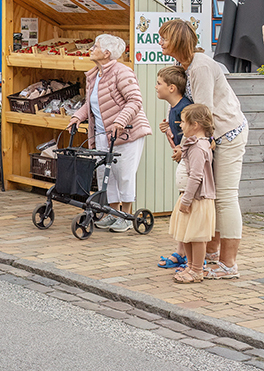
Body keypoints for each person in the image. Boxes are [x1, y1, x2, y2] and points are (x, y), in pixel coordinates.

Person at [159, 18, 247, 279]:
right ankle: (210, 254)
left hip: (226, 134)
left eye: (164, 38)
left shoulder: (200, 67)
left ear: (178, 41)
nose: (161, 42)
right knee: (211, 195)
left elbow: (202, 114)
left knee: (225, 197)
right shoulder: (182, 66)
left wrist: (187, 147)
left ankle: (228, 265)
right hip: (209, 138)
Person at [67, 34, 151, 232]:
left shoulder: (122, 72)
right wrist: (78, 117)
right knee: (107, 173)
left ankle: (126, 217)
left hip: (126, 133)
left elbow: (135, 101)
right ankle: (113, 214)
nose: (91, 49)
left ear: (106, 53)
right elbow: (91, 104)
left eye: (95, 46)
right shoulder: (95, 74)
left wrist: (120, 121)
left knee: (124, 174)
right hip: (103, 133)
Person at [169, 104, 217, 284]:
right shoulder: (194, 144)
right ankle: (190, 265)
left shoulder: (199, 147)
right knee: (186, 234)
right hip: (189, 197)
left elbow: (197, 176)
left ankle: (197, 270)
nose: (180, 125)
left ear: (195, 125)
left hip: (196, 199)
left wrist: (187, 200)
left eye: (182, 121)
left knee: (196, 236)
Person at [155, 65, 193, 270]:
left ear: (171, 88)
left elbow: (193, 134)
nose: (155, 87)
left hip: (190, 164)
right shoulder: (174, 108)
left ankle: (189, 255)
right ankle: (182, 251)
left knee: (186, 207)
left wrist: (181, 148)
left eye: (159, 83)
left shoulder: (184, 108)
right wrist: (169, 130)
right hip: (183, 161)